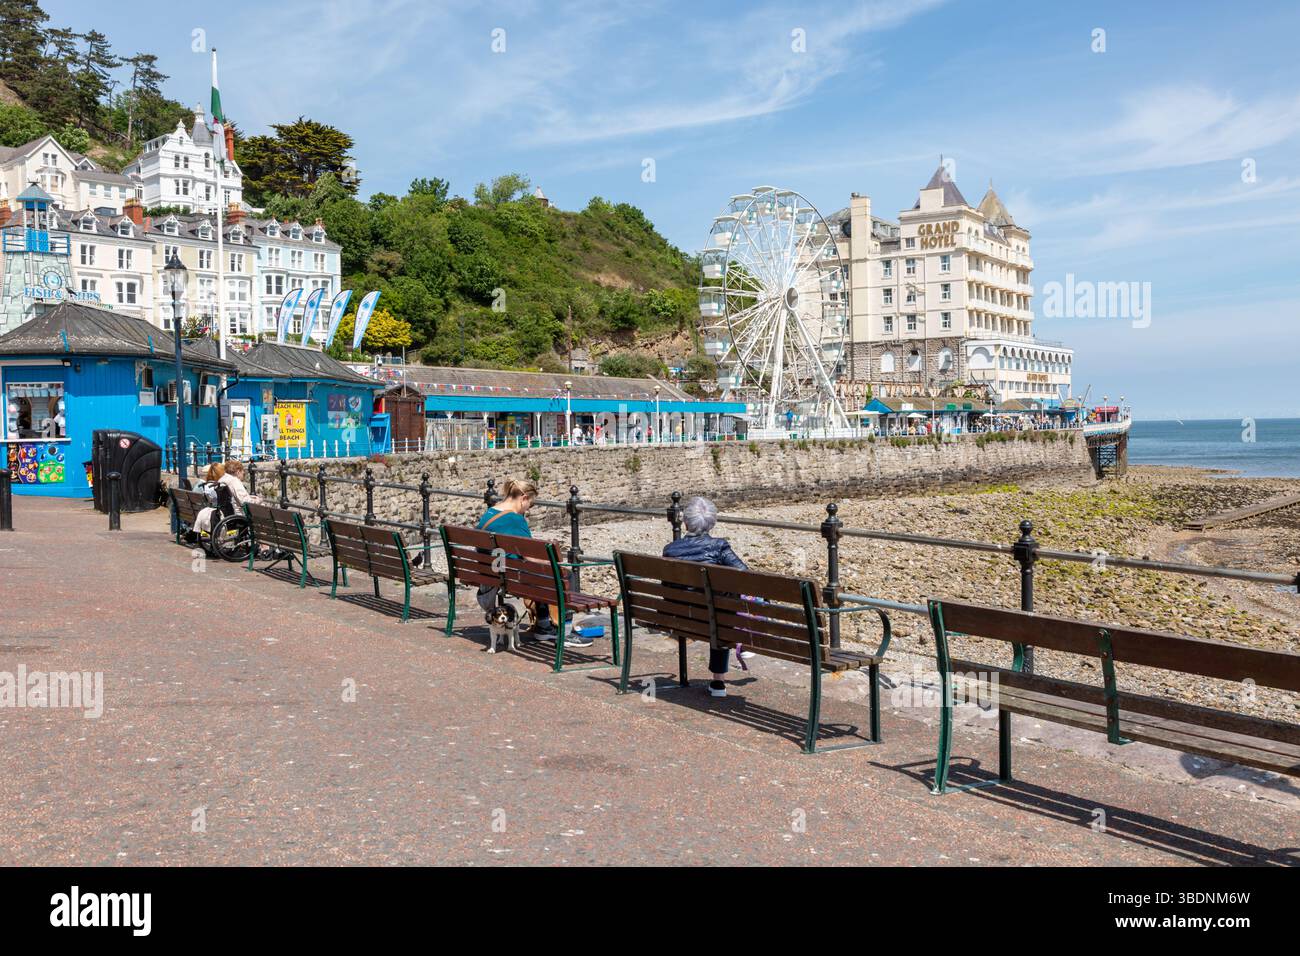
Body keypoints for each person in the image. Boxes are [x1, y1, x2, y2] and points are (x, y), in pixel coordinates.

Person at [476, 478, 592, 647]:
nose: (528, 510)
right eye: (530, 505)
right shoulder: (514, 519)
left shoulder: (490, 512)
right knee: (565, 576)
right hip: (515, 577)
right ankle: (566, 633)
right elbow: (529, 555)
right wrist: (551, 560)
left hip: (496, 574)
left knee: (540, 573)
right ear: (523, 498)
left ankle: (544, 626)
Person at [663, 496, 748, 698]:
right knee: (721, 612)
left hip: (681, 617)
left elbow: (667, 588)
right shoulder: (719, 547)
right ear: (712, 522)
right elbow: (745, 575)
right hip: (714, 621)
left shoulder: (670, 549)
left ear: (685, 522)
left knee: (716, 608)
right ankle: (718, 682)